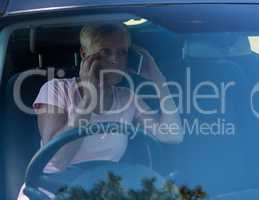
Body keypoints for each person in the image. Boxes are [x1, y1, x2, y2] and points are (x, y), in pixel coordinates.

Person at [18, 23, 183, 199]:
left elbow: (173, 135)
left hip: (98, 190)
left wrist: (158, 79)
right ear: (84, 54)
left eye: (122, 52)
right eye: (105, 52)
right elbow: (59, 159)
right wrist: (89, 96)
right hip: (50, 190)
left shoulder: (128, 97)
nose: (115, 60)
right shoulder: (56, 89)